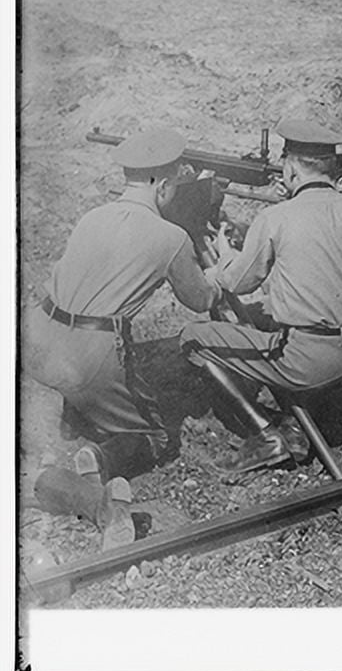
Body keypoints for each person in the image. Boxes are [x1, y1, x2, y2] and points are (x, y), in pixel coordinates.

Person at [179, 119, 342, 470]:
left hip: (308, 362)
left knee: (193, 338)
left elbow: (236, 284)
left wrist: (223, 253)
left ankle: (269, 434)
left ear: (292, 168)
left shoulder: (275, 217)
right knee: (267, 318)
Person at [26, 128, 222, 482]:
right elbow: (201, 300)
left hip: (34, 338)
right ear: (162, 187)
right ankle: (99, 456)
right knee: (157, 438)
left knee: (87, 324)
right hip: (88, 361)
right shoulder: (170, 237)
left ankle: (75, 421)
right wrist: (221, 270)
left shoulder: (93, 217)